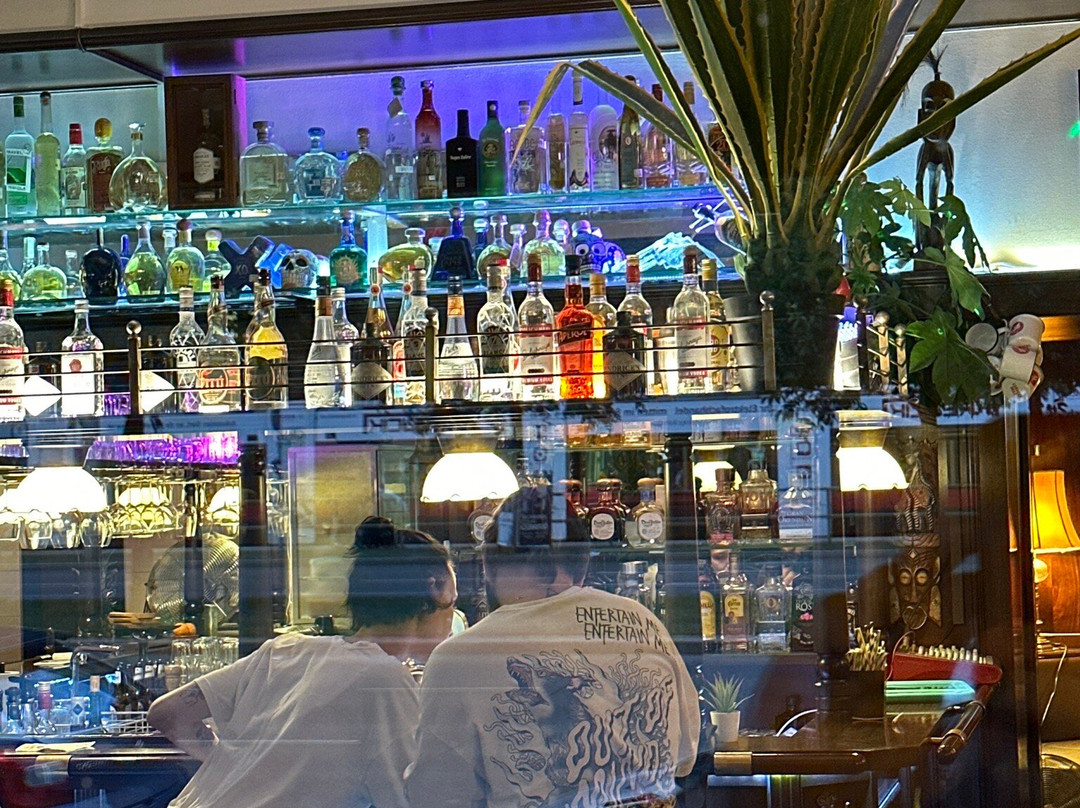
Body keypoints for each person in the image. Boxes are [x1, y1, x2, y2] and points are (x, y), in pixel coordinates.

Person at [406, 482, 700, 808]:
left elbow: (435, 797)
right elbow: (684, 758)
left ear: (488, 566)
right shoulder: (644, 623)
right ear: (583, 567)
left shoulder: (458, 659)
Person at [148, 517, 456, 808]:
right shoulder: (383, 679)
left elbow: (168, 712)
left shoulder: (287, 649)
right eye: (453, 604)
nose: (454, 621)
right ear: (433, 591)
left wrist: (241, 768)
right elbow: (411, 800)